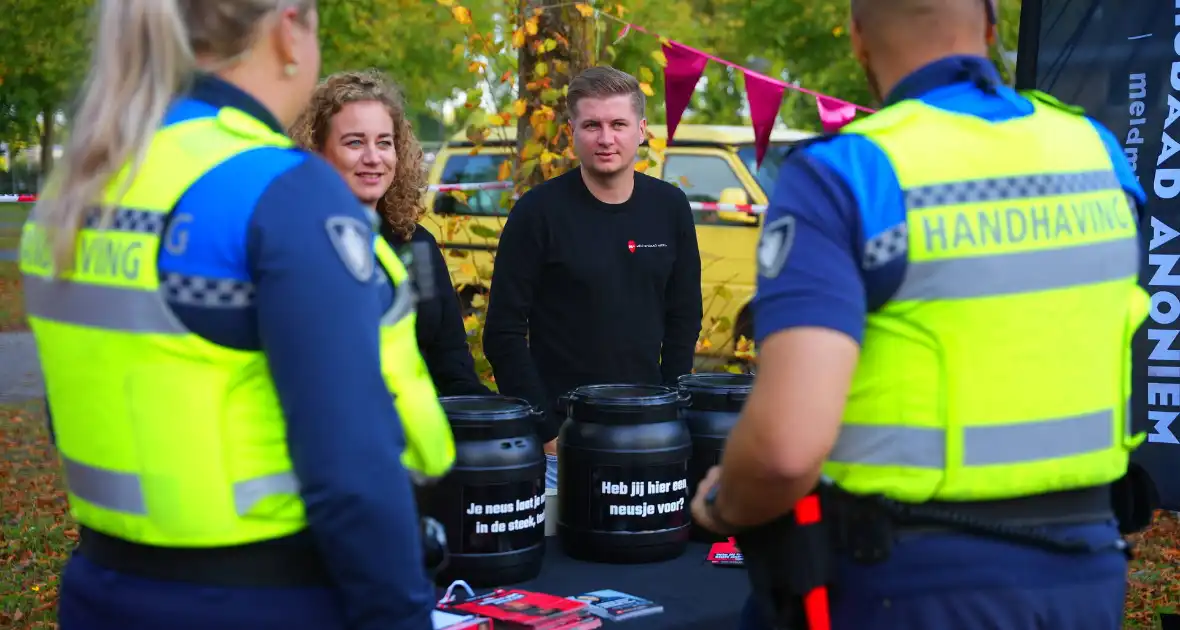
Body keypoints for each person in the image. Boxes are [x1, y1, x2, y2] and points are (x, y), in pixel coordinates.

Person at [689, 1, 1147, 629]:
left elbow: (784, 452)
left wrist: (724, 503)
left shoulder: (847, 172)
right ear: (990, 27)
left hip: (912, 581)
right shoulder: (1098, 152)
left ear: (858, 40)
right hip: (1086, 569)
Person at [18, 2, 450, 629]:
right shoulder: (278, 188)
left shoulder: (84, 178)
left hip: (102, 588)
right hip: (266, 598)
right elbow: (352, 471)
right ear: (289, 28)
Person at [483, 65, 703, 451]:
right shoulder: (537, 213)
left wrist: (670, 405)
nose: (606, 138)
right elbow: (503, 332)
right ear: (572, 133)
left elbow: (684, 317)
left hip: (649, 428)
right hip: (563, 434)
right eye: (591, 126)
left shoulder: (670, 207)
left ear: (641, 130)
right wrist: (546, 430)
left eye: (618, 124)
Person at [290, 69, 491, 397]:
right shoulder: (294, 245)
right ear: (318, 152)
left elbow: (450, 362)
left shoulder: (416, 242)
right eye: (355, 142)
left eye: (384, 143)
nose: (373, 158)